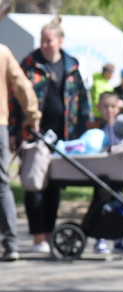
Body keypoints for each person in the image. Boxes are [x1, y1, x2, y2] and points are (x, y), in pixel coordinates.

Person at [12, 17, 91, 255]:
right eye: (42, 40)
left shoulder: (71, 65)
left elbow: (81, 101)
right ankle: (37, 237)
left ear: (60, 40)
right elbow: (15, 99)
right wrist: (15, 131)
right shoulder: (29, 64)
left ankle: (49, 232)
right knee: (34, 184)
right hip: (34, 134)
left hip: (62, 136)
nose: (45, 45)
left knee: (54, 187)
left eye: (49, 40)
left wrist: (82, 134)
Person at [1, 43, 41, 261]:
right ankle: (11, 243)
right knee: (1, 182)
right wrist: (32, 115)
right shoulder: (3, 52)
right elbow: (22, 85)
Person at [89, 92, 123, 255]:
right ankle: (99, 240)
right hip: (101, 175)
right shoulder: (97, 130)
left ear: (118, 108)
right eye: (105, 106)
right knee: (99, 205)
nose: (109, 110)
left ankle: (119, 240)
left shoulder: (122, 129)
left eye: (112, 106)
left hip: (118, 175)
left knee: (120, 206)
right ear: (98, 108)